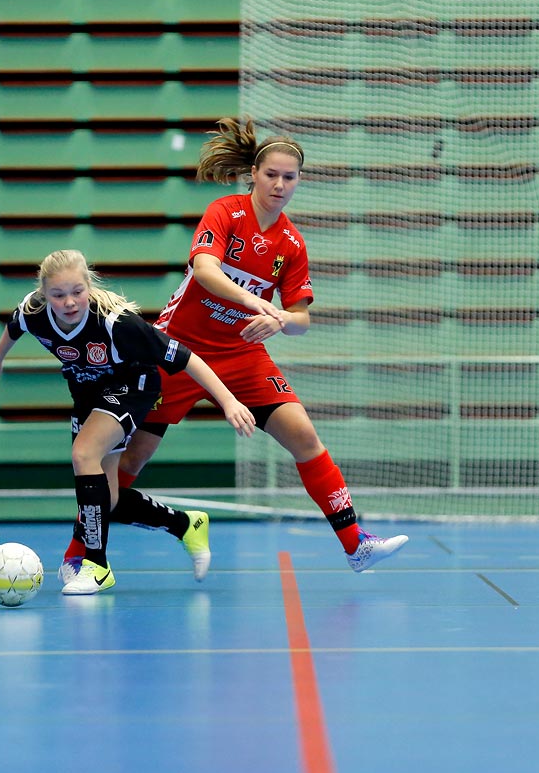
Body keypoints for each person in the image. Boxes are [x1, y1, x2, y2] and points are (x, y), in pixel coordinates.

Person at [61, 116, 408, 574]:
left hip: (242, 355)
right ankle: (81, 551)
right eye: (271, 175)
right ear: (254, 175)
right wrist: (255, 302)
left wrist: (281, 318)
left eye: (289, 177)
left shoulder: (292, 244)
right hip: (177, 351)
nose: (279, 184)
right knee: (124, 461)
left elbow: (302, 319)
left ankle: (355, 544)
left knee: (303, 435)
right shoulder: (225, 212)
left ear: (299, 181)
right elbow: (205, 269)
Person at [0, 249, 256, 595]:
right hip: (87, 395)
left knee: (84, 455)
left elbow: (188, 358)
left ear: (89, 285)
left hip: (133, 387)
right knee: (106, 499)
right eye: (58, 294)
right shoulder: (35, 311)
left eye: (77, 291)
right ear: (43, 293)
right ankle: (185, 524)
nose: (69, 302)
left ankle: (96, 564)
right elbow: (14, 325)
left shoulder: (116, 324)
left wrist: (229, 401)